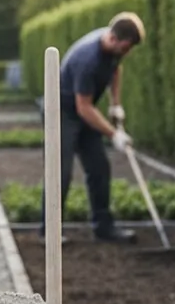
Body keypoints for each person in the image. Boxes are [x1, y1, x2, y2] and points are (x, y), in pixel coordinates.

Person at [42, 12, 145, 244]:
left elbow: (116, 69)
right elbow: (84, 108)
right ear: (114, 39)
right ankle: (48, 233)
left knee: (99, 167)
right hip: (61, 112)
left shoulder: (114, 47)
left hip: (83, 111)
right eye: (126, 48)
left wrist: (115, 104)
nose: (126, 54)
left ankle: (104, 227)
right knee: (60, 172)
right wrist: (114, 134)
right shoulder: (87, 59)